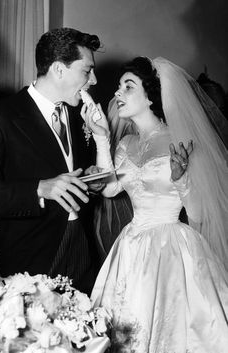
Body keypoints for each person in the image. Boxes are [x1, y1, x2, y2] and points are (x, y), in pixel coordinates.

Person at [82, 57, 228, 351]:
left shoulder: (181, 139)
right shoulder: (126, 145)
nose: (117, 93)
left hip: (171, 249)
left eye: (128, 86)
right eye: (118, 87)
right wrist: (101, 138)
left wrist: (181, 178)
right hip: (132, 246)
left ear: (150, 97)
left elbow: (198, 212)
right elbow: (110, 189)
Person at [0, 27, 104, 295]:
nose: (94, 81)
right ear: (58, 69)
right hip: (28, 261)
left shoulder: (79, 116)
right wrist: (40, 189)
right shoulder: (2, 115)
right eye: (87, 71)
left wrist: (89, 179)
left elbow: (66, 172)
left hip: (80, 252)